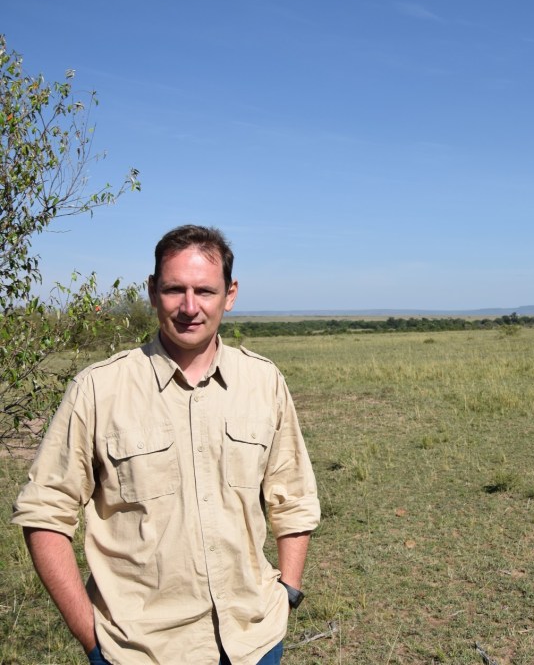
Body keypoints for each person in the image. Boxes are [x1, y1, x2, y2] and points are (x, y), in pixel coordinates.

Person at [12, 225, 321, 664]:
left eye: (205, 291)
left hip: (253, 641)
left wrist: (287, 590)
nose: (190, 307)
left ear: (230, 295)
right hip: (140, 650)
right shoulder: (99, 389)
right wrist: (94, 642)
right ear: (153, 291)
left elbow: (293, 497)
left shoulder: (263, 381)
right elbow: (43, 514)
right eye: (175, 289)